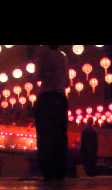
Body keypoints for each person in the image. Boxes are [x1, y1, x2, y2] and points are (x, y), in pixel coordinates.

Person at [32, 45, 69, 180]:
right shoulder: (63, 57)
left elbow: (38, 76)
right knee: (60, 135)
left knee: (45, 134)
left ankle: (48, 170)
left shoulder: (42, 53)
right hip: (60, 96)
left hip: (47, 96)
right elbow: (67, 83)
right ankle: (60, 171)